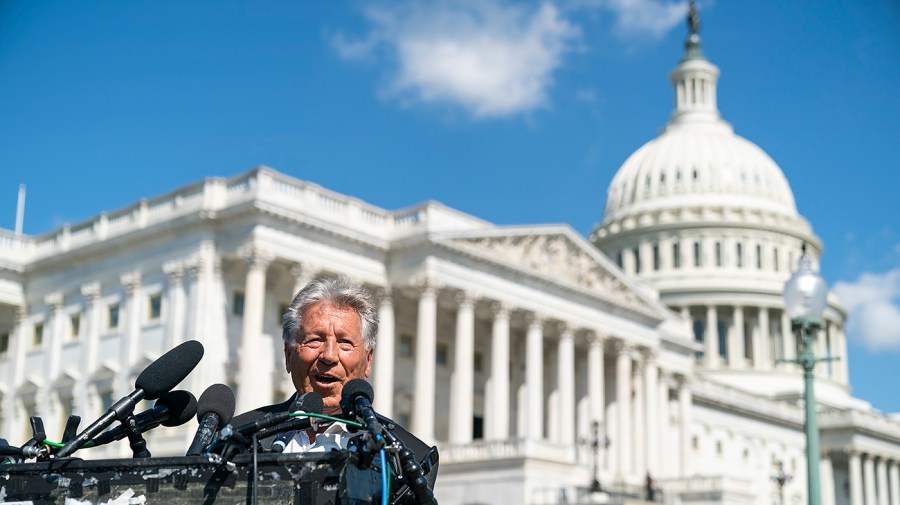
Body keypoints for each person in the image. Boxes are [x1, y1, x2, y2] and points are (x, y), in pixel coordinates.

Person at [231, 275, 438, 488]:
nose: (329, 355)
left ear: (368, 360)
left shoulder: (411, 458)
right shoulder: (235, 438)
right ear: (288, 355)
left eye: (345, 343)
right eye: (315, 340)